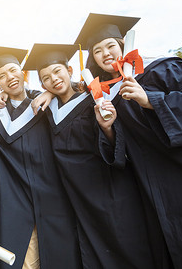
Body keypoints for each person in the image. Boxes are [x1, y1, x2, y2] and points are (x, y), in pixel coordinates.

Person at [75, 13, 182, 268]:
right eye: (97, 51)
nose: (105, 53)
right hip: (148, 182)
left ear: (122, 44)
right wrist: (107, 128)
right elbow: (120, 148)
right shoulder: (104, 95)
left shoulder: (161, 68)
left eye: (110, 45)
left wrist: (149, 99)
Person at [24, 43, 159, 268]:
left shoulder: (94, 99)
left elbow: (118, 146)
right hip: (75, 197)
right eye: (46, 78)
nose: (54, 79)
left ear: (69, 70)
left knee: (124, 247)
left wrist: (106, 127)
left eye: (57, 71)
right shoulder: (47, 111)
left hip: (108, 189)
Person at [0, 46, 82, 269]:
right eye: (1, 76)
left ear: (24, 74)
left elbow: (76, 91)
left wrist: (50, 92)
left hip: (53, 194)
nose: (9, 77)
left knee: (61, 254)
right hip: (14, 198)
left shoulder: (47, 104)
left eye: (13, 71)